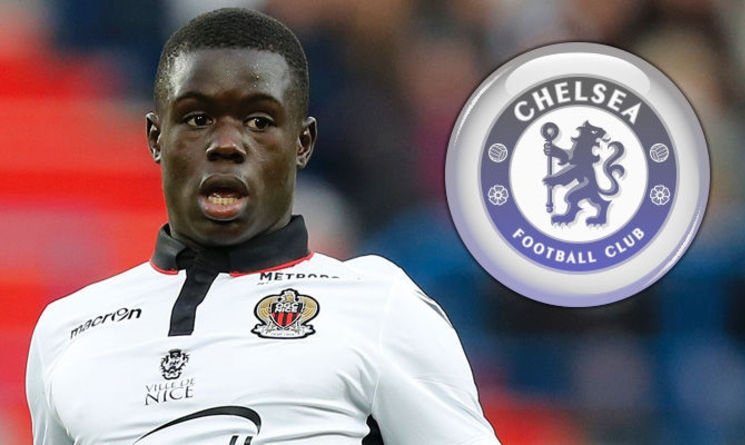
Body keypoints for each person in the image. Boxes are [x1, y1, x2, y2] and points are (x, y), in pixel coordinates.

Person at [26, 8, 501, 445]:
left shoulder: (381, 306)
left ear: (302, 142)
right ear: (156, 138)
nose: (226, 145)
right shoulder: (67, 331)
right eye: (197, 118)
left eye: (258, 121)